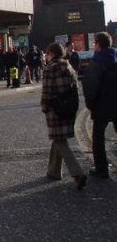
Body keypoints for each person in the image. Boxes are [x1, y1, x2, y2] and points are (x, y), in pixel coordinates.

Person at [40, 42, 86, 190]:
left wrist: (44, 107)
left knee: (60, 140)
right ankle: (53, 172)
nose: (46, 57)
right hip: (69, 107)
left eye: (47, 54)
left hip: (55, 109)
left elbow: (46, 91)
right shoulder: (69, 67)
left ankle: (77, 173)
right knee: (59, 137)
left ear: (51, 54)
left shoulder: (50, 69)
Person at [82, 32, 117, 179]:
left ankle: (101, 169)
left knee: (98, 138)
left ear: (97, 45)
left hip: (102, 105)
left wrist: (90, 105)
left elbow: (91, 87)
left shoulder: (96, 62)